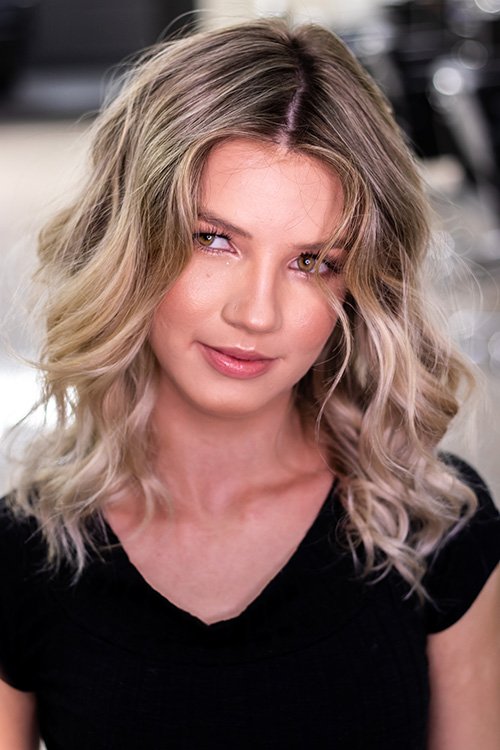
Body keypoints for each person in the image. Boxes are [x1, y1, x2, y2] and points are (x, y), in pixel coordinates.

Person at [1, 17, 499, 750]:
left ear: (359, 287)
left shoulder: (434, 526)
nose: (257, 313)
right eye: (214, 240)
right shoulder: (25, 555)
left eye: (313, 262)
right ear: (127, 242)